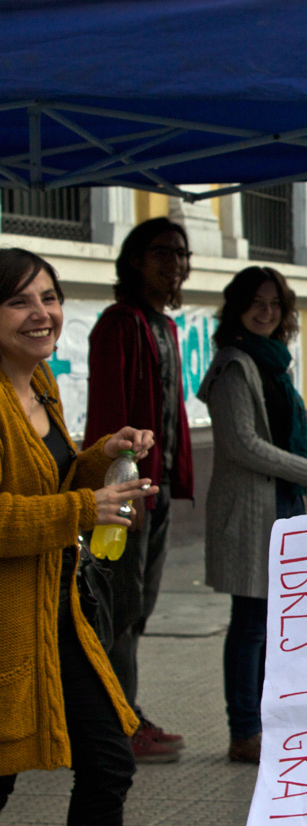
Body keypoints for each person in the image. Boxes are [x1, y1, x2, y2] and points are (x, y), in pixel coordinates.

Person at [0, 248, 158, 825]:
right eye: (18, 301)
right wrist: (84, 507)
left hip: (57, 614)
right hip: (10, 625)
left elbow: (50, 479)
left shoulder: (39, 382)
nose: (40, 313)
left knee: (109, 763)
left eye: (49, 297)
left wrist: (103, 458)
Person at [196, 267, 307, 765]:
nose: (266, 312)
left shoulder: (274, 364)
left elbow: (282, 432)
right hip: (254, 508)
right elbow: (243, 445)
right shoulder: (235, 366)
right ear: (236, 307)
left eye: (275, 305)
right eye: (256, 302)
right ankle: (243, 731)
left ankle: (266, 721)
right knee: (252, 622)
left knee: (275, 622)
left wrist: (304, 474)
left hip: (282, 504)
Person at [83, 217, 194, 762]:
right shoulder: (118, 323)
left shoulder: (165, 328)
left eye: (181, 253)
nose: (174, 263)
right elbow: (107, 416)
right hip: (128, 499)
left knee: (139, 608)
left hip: (160, 491)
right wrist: (125, 497)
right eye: (161, 253)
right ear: (134, 261)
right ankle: (113, 721)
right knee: (119, 608)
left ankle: (120, 711)